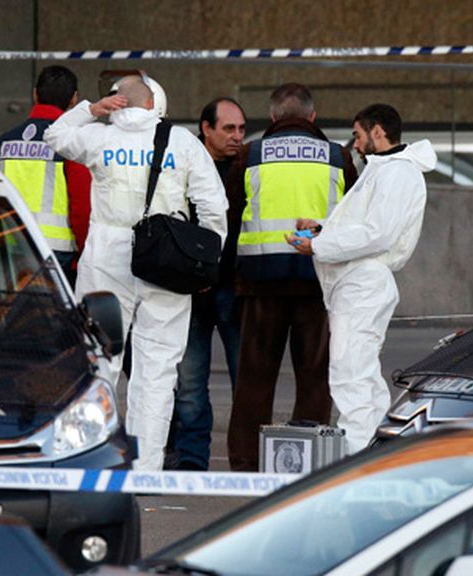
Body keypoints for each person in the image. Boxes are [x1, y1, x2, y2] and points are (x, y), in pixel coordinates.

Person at [44, 74, 228, 471]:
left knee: (99, 361)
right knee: (158, 369)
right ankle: (146, 469)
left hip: (106, 258)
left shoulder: (100, 138)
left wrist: (89, 110)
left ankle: (91, 460)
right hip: (167, 259)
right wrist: (203, 260)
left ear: (116, 103)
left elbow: (55, 136)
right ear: (153, 105)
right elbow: (214, 207)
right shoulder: (182, 142)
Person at [287, 103, 436, 454]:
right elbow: (370, 227)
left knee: (350, 376)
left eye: (358, 135)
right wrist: (322, 229)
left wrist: (319, 245)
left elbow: (378, 235)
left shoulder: (397, 173)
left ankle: (356, 460)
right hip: (359, 282)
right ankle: (373, 455)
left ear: (378, 132)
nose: (354, 144)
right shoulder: (385, 169)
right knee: (361, 376)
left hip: (363, 283)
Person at [228, 83, 358, 471]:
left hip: (260, 283)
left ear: (272, 117)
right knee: (315, 378)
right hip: (319, 281)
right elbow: (353, 219)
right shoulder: (338, 157)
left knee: (254, 378)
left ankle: (247, 462)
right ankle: (310, 462)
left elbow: (230, 218)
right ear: (313, 117)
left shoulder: (251, 155)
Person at [164, 97, 246, 471]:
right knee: (190, 386)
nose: (237, 136)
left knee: (245, 383)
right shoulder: (183, 166)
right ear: (206, 128)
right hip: (193, 291)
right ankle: (192, 461)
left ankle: (247, 461)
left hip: (235, 289)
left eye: (242, 129)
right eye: (229, 128)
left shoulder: (247, 168)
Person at [0, 66, 90, 285]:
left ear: (35, 94)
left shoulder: (2, 143)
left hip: (7, 248)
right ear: (74, 100)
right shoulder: (70, 144)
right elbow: (82, 209)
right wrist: (85, 253)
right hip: (55, 253)